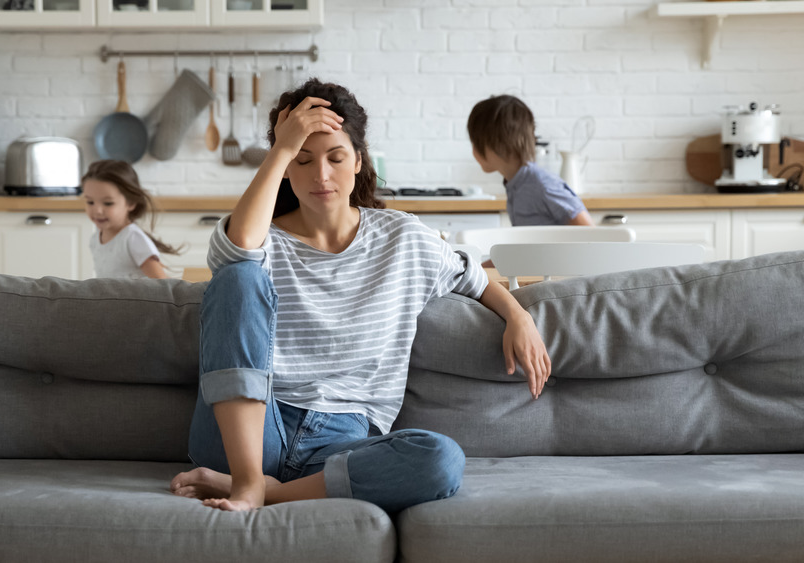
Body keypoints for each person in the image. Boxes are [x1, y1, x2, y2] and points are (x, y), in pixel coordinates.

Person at [170, 79, 551, 514]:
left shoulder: (403, 238)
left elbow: (477, 280)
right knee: (238, 277)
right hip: (249, 427)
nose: (321, 175)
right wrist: (280, 147)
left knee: (441, 459)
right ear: (286, 167)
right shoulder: (261, 239)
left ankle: (261, 490)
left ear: (358, 162)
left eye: (335, 157)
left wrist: (519, 317)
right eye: (302, 158)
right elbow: (236, 251)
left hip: (341, 441)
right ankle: (247, 476)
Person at [468, 95, 594, 226]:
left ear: (499, 144)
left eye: (475, 143)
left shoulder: (542, 184)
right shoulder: (515, 184)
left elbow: (590, 232)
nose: (473, 150)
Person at [80, 160, 180, 279]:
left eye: (108, 203)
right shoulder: (95, 238)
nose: (97, 210)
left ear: (131, 202)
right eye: (90, 202)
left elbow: (163, 284)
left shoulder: (133, 238)